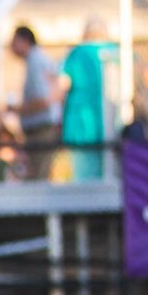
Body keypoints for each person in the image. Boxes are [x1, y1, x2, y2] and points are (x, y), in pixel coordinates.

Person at [5, 24, 66, 180]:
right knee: (37, 176)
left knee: (38, 178)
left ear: (24, 41)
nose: (11, 46)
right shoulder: (37, 60)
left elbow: (43, 100)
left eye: (14, 41)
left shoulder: (36, 61)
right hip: (40, 127)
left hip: (41, 129)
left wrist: (17, 109)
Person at [62, 17, 114, 181]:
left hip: (81, 127)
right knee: (113, 177)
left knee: (84, 180)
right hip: (114, 126)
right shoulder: (118, 52)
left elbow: (62, 85)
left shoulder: (77, 54)